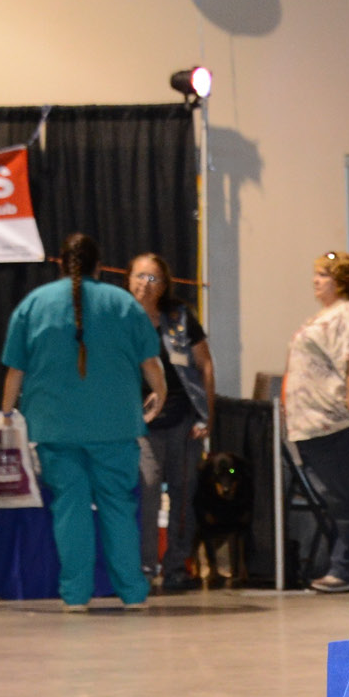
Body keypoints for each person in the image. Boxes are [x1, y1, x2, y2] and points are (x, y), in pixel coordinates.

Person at [0, 233, 166, 611]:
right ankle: (132, 593)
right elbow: (151, 365)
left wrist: (7, 414)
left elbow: (14, 371)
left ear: (61, 263)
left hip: (56, 427)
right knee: (118, 507)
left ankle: (75, 595)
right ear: (98, 266)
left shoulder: (34, 304)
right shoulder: (123, 303)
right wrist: (160, 395)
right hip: (116, 426)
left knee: (69, 508)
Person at [282, 251, 349, 592]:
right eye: (317, 274)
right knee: (336, 498)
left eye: (325, 275)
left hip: (335, 423)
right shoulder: (324, 317)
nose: (317, 280)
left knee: (344, 498)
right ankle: (343, 565)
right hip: (313, 424)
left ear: (344, 281)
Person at [126, 253, 214, 593]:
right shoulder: (118, 317)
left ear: (165, 285)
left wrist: (207, 415)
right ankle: (145, 568)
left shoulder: (178, 317)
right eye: (139, 276)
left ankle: (177, 567)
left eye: (153, 279)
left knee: (183, 493)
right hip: (138, 424)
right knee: (146, 491)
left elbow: (204, 365)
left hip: (182, 420)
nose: (144, 285)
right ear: (128, 279)